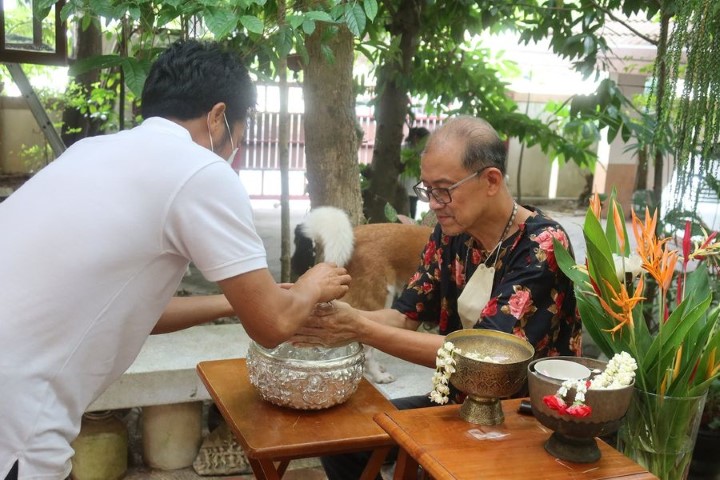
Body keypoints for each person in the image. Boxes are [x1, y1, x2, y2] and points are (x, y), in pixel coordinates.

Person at [0, 40, 350, 480]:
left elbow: (134, 310)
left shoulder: (88, 152)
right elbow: (273, 324)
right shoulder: (201, 170)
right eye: (240, 135)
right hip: (16, 423)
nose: (235, 149)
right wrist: (312, 285)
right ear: (218, 116)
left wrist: (233, 301)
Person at [295, 115, 582, 480]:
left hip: (524, 415)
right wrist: (325, 314)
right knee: (342, 440)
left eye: (444, 190)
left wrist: (358, 328)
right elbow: (404, 316)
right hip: (459, 402)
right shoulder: (451, 234)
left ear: (491, 180)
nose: (433, 203)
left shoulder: (542, 245)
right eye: (427, 190)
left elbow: (482, 360)